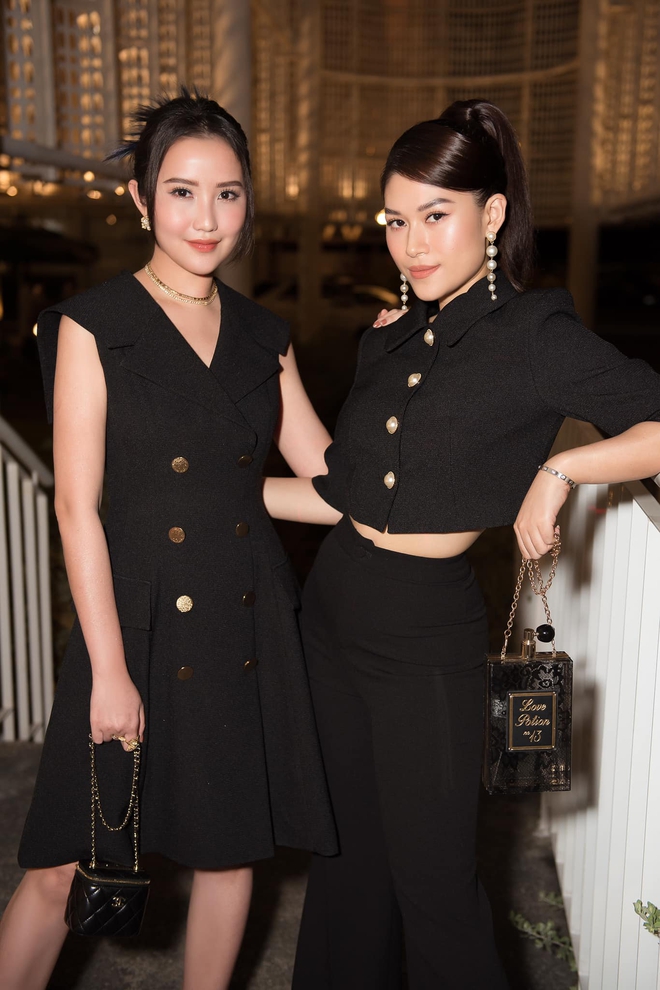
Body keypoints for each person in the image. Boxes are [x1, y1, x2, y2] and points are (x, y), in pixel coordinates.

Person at [263, 98, 660, 989]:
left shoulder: (535, 337)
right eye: (396, 221)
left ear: (492, 213)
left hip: (423, 638)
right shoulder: (389, 335)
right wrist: (218, 496)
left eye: (435, 216)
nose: (412, 244)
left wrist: (562, 470)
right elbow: (347, 497)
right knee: (345, 867)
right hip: (332, 612)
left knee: (436, 886)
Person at [0, 88, 336, 990]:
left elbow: (333, 486)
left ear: (248, 203)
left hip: (241, 617)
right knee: (65, 858)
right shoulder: (94, 325)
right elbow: (76, 508)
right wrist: (109, 671)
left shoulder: (263, 336)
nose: (207, 218)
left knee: (229, 852)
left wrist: (399, 360)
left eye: (227, 193)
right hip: (134, 619)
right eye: (182, 192)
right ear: (142, 200)